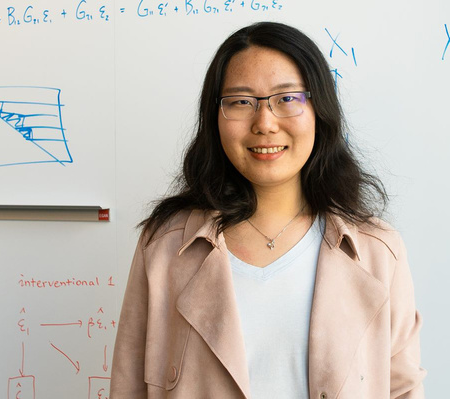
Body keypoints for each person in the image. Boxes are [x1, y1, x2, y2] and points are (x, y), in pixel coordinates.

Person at [110, 22, 426, 398]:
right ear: (215, 116)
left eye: (287, 98)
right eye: (241, 101)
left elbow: (403, 390)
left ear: (319, 110)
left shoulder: (379, 250)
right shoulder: (164, 247)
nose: (264, 123)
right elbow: (128, 387)